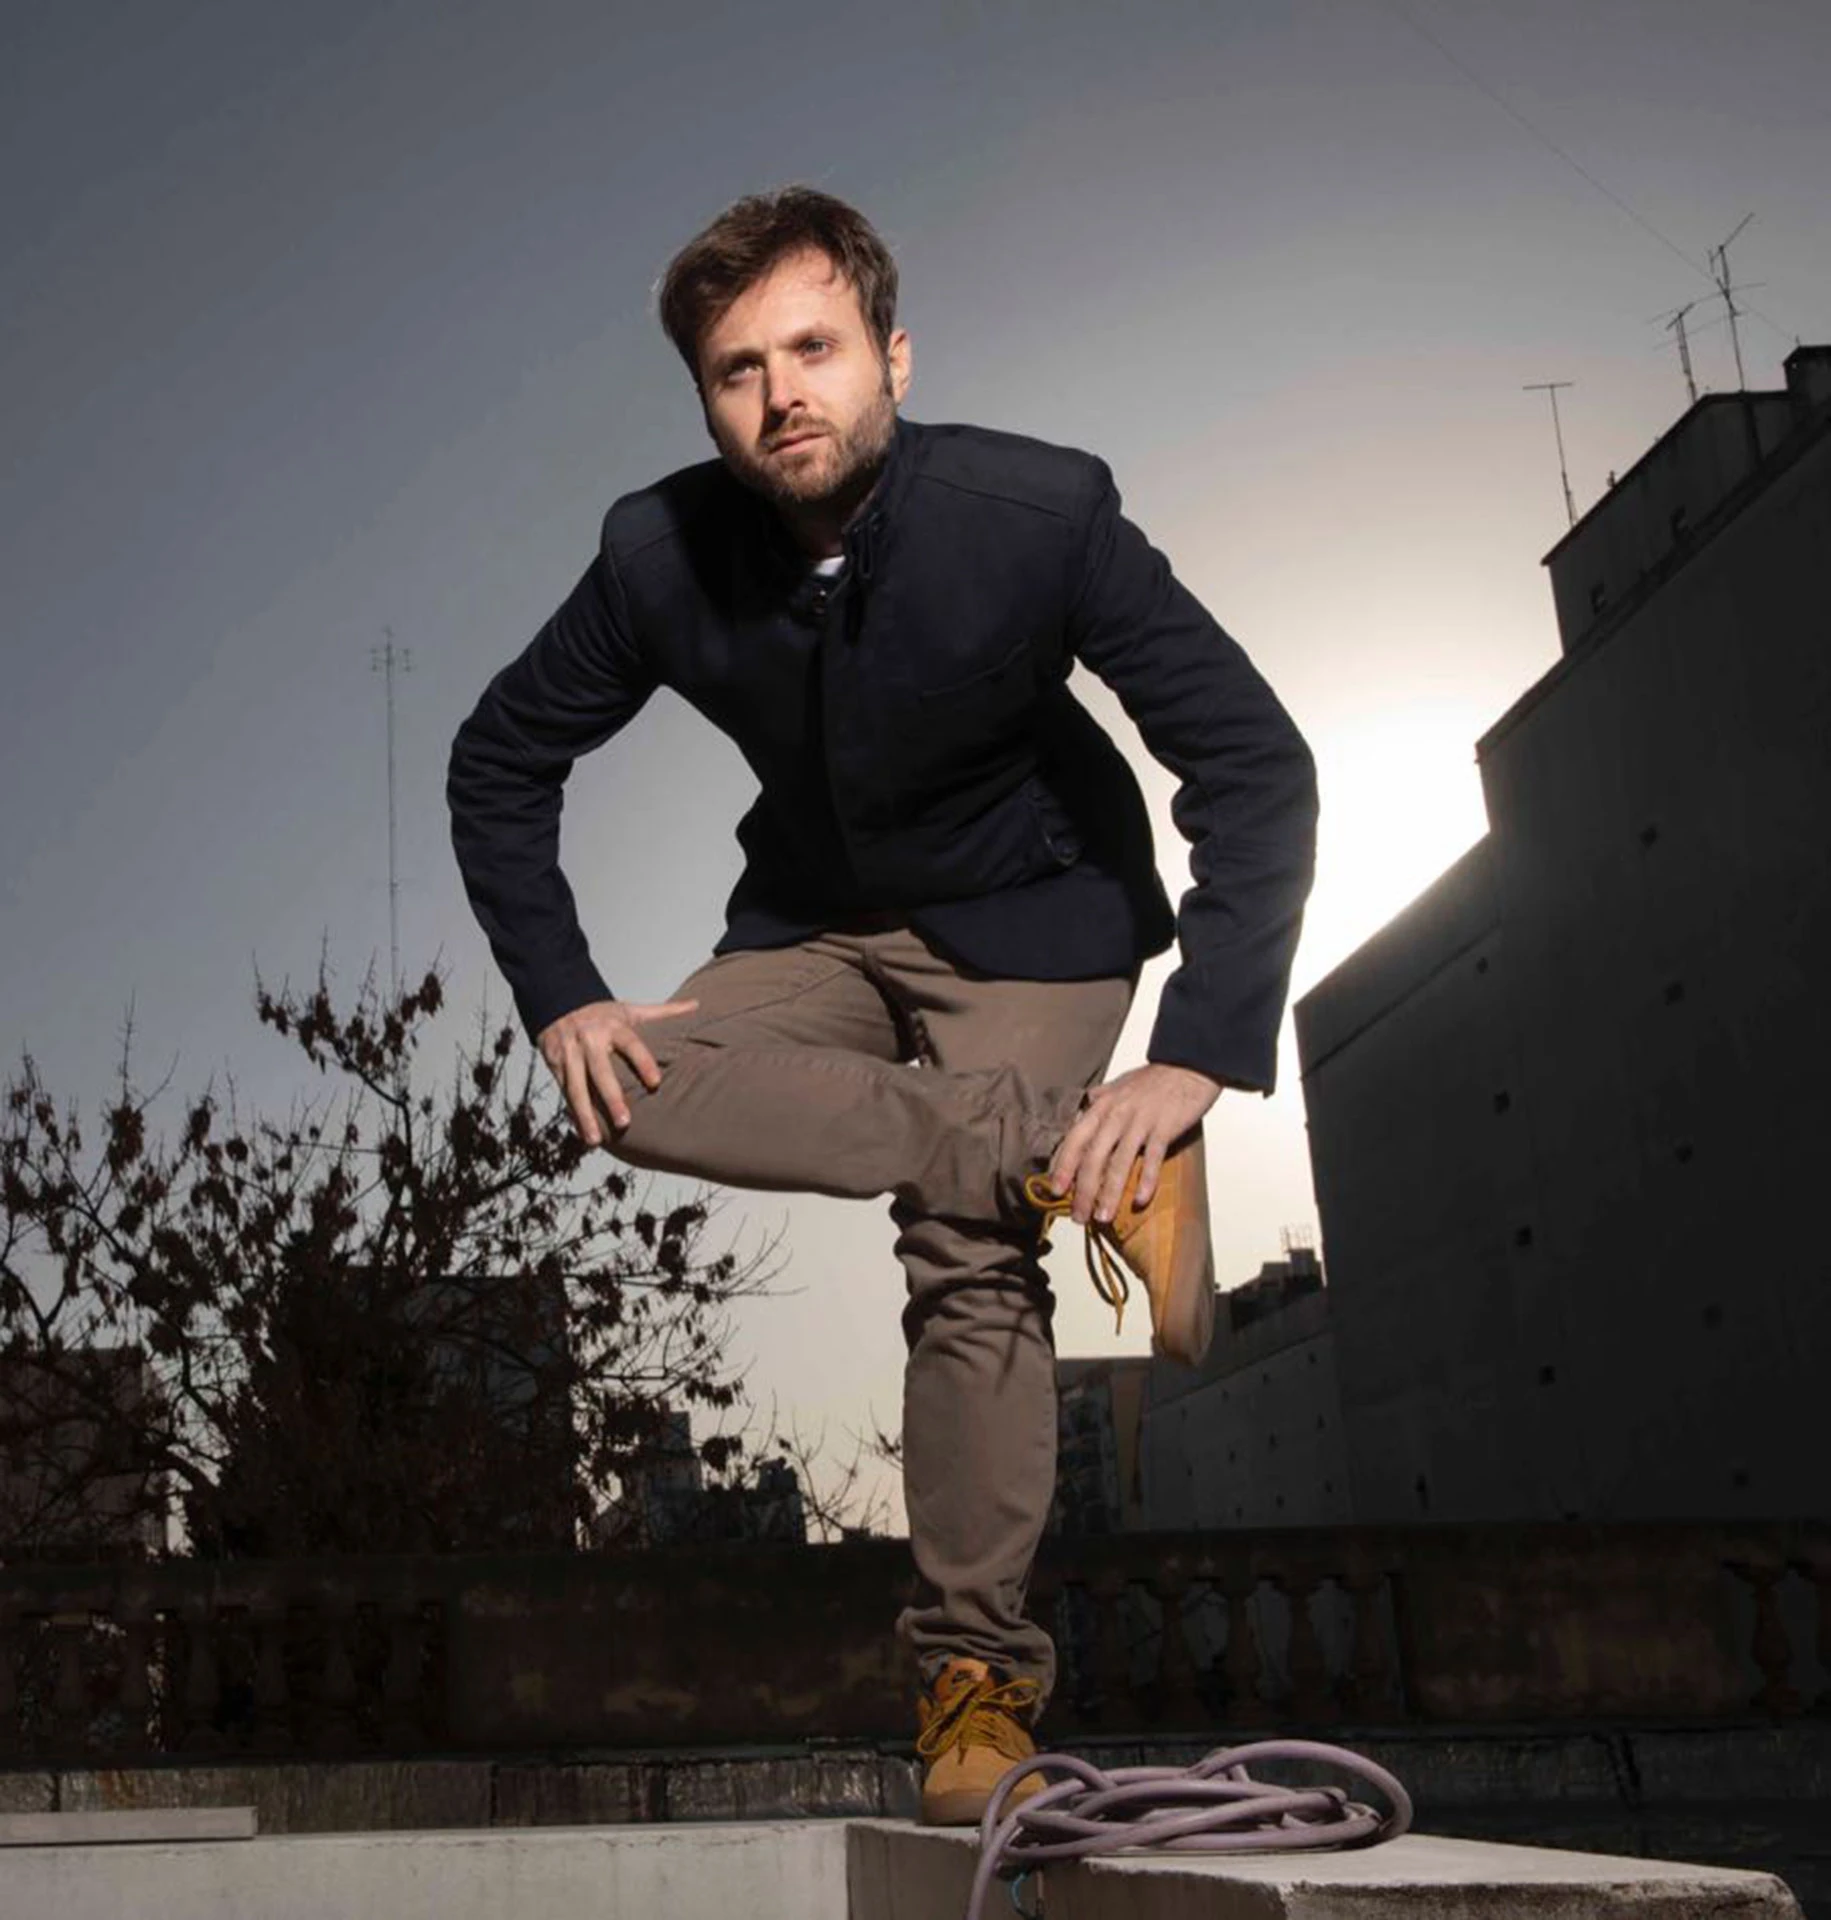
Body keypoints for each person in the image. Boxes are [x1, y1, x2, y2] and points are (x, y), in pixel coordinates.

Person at [446, 185, 1318, 1824]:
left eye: (814, 348)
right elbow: (498, 760)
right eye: (737, 369)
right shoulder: (654, 557)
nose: (781, 393)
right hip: (816, 920)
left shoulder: (1038, 513)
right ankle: (1061, 1152)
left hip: (1037, 913)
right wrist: (560, 993)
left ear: (891, 358)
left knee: (965, 1250)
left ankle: (973, 1684)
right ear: (704, 402)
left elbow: (1253, 765)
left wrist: (1195, 1055)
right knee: (629, 1090)